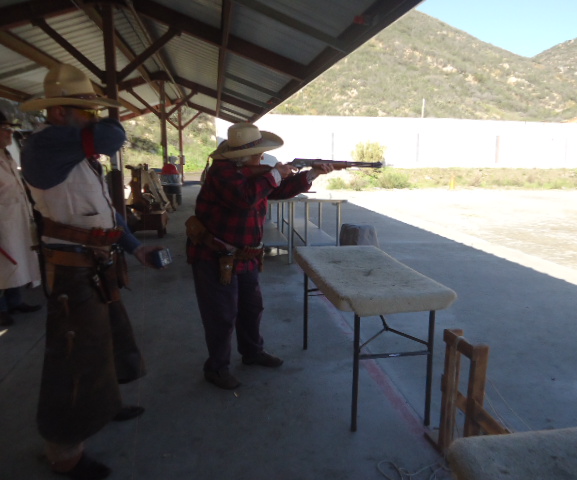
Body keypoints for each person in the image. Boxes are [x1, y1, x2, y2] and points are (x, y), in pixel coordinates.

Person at [19, 63, 165, 480]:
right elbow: (113, 134)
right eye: (86, 110)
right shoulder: (44, 147)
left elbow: (102, 212)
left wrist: (134, 248)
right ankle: (64, 453)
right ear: (59, 112)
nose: (94, 118)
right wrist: (102, 119)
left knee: (106, 344)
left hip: (95, 263)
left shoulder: (74, 153)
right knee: (73, 359)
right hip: (71, 269)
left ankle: (104, 406)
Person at [186, 122, 334, 390]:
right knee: (221, 316)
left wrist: (311, 173)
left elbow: (277, 190)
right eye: (257, 154)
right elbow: (244, 197)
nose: (262, 158)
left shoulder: (247, 172)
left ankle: (252, 352)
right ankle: (216, 368)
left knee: (251, 308)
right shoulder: (222, 173)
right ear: (242, 157)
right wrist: (276, 173)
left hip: (246, 256)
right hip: (215, 256)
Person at [0, 110, 41, 326]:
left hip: (14, 220)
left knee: (14, 262)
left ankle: (14, 301)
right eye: (5, 129)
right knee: (2, 265)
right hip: (2, 223)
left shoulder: (6, 155)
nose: (9, 133)